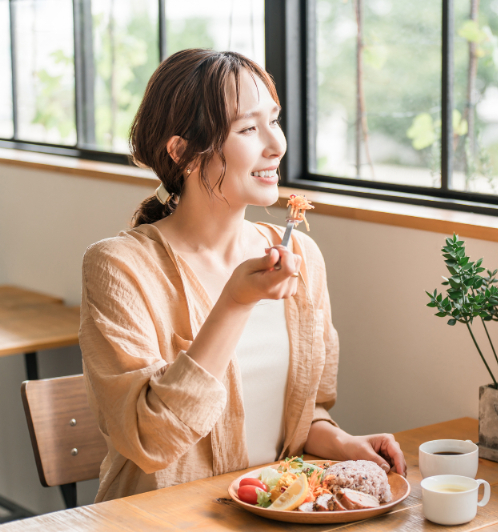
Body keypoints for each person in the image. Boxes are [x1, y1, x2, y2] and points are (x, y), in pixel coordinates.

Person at [79, 49, 405, 503]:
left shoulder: (301, 255)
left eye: (274, 120)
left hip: (273, 513)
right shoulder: (118, 267)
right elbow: (151, 441)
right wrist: (235, 302)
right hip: (161, 519)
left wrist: (341, 441)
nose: (277, 145)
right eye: (249, 129)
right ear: (183, 152)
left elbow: (301, 413)